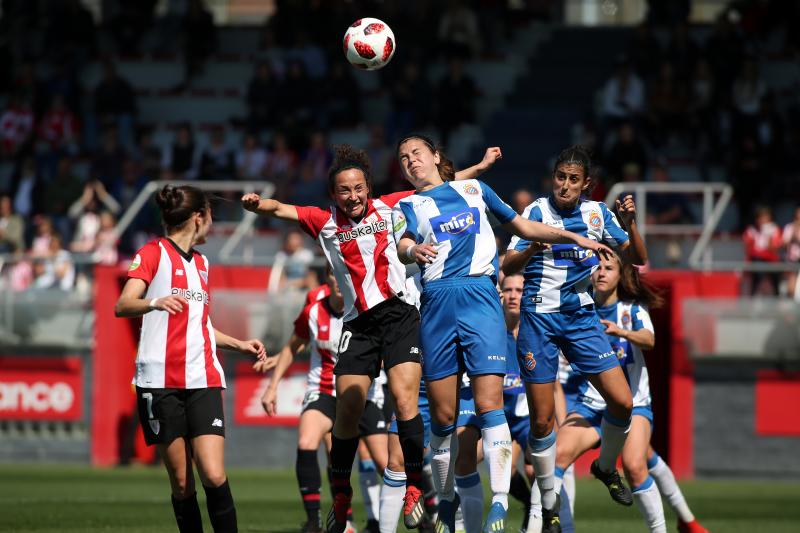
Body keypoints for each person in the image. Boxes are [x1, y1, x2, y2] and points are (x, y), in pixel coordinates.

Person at [242, 144, 503, 533]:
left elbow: (441, 184)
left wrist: (479, 167)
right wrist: (258, 204)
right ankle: (342, 492)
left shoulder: (391, 206)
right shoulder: (323, 221)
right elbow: (283, 209)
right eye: (345, 191)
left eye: (359, 188)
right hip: (359, 324)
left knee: (404, 400)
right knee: (348, 409)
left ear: (368, 187)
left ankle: (415, 485)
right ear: (334, 195)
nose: (353, 197)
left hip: (400, 316)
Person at [392, 135, 611, 533]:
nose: (411, 161)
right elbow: (402, 242)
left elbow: (524, 225)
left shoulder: (475, 189)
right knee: (442, 418)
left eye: (417, 154)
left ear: (435, 157)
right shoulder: (403, 205)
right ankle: (445, 500)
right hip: (438, 305)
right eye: (404, 157)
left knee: (489, 403)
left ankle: (498, 501)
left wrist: (572, 236)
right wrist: (412, 251)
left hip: (479, 297)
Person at [502, 145, 647, 533]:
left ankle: (603, 466)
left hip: (581, 318)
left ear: (586, 185)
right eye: (560, 177)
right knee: (543, 420)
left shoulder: (598, 213)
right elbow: (506, 265)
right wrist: (532, 247)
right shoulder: (535, 212)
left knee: (622, 402)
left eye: (573, 180)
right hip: (538, 322)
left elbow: (637, 258)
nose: (564, 185)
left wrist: (631, 223)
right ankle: (549, 505)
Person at [115, 185, 266, 533]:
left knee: (213, 473)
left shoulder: (203, 263)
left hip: (203, 378)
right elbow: (123, 304)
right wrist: (155, 302)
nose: (212, 223)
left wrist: (238, 344)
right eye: (210, 215)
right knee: (182, 483)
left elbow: (200, 324)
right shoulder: (152, 253)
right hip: (160, 381)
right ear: (199, 217)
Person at [552, 252, 708, 533]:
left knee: (635, 466)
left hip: (634, 404)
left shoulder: (631, 310)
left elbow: (649, 340)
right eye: (596, 267)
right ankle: (563, 527)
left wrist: (620, 332)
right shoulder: (579, 310)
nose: (600, 272)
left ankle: (673, 526)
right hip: (592, 405)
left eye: (608, 268)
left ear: (620, 275)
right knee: (557, 457)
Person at [256, 270, 389, 533]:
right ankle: (315, 521)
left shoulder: (369, 308)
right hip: (324, 389)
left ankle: (425, 512)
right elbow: (294, 345)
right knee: (307, 441)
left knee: (385, 464)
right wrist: (272, 387)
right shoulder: (314, 309)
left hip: (362, 393)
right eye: (334, 274)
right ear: (328, 279)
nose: (340, 281)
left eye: (344, 274)